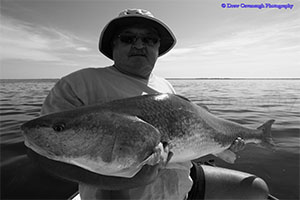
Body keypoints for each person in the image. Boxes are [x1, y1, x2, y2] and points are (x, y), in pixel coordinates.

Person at [40, 9, 269, 200]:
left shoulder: (165, 85)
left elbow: (182, 145)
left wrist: (222, 146)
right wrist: (124, 180)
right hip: (123, 196)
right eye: (128, 38)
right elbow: (43, 151)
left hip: (182, 185)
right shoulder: (80, 83)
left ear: (158, 48)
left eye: (149, 39)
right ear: (113, 45)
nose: (139, 44)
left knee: (256, 189)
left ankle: (260, 135)